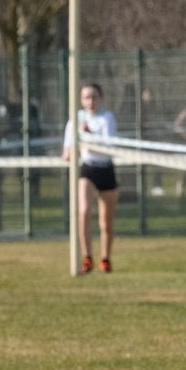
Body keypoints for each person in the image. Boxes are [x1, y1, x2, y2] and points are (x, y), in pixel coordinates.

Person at [62, 83, 119, 274]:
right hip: (88, 169)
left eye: (94, 97)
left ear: (100, 98)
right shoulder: (75, 119)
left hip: (106, 170)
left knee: (106, 223)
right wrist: (74, 147)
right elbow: (68, 152)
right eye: (86, 97)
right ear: (81, 100)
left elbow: (108, 147)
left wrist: (87, 137)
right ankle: (87, 257)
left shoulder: (106, 118)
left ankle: (105, 258)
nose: (90, 101)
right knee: (84, 211)